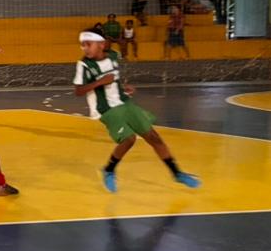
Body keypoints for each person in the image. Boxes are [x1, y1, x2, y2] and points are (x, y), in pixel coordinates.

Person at [74, 30, 200, 193]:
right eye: (82, 45)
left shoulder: (113, 56)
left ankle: (177, 173)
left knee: (154, 137)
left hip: (124, 102)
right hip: (106, 109)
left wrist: (123, 88)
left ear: (101, 44)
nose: (84, 48)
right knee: (129, 139)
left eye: (88, 44)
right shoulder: (84, 65)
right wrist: (100, 82)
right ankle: (109, 170)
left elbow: (114, 79)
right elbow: (78, 91)